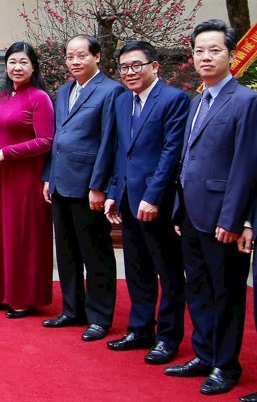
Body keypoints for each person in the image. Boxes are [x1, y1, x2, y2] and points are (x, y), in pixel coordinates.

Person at [163, 19, 257, 396]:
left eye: (214, 50)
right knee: (198, 288)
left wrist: (234, 219)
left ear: (232, 55)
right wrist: (179, 210)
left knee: (226, 294)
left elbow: (246, 166)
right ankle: (203, 354)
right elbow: (187, 159)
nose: (206, 57)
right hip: (191, 214)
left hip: (223, 219)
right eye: (199, 50)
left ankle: (225, 364)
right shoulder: (195, 99)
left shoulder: (246, 101)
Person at [104, 40, 188, 365]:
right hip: (127, 198)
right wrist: (113, 191)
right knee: (137, 268)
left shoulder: (174, 99)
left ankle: (168, 337)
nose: (129, 72)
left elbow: (171, 153)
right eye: (124, 67)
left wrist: (153, 196)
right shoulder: (123, 102)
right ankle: (140, 329)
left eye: (136, 65)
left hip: (158, 202)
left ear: (155, 66)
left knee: (167, 272)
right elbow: (120, 152)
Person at [41, 35, 121, 342]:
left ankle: (100, 316)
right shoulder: (64, 91)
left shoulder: (110, 91)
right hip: (61, 182)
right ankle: (72, 309)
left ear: (97, 56)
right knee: (67, 251)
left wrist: (99, 185)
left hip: (88, 185)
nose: (75, 62)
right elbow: (57, 138)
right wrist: (49, 176)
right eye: (70, 57)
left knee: (95, 252)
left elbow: (107, 142)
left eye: (81, 56)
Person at [0, 41, 55, 319]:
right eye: (12, 61)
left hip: (27, 177)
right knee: (3, 234)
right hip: (3, 176)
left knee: (24, 235)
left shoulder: (40, 98)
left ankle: (25, 297)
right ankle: (2, 292)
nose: (17, 67)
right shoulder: (3, 96)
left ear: (33, 66)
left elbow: (46, 141)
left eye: (23, 62)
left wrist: (5, 153)